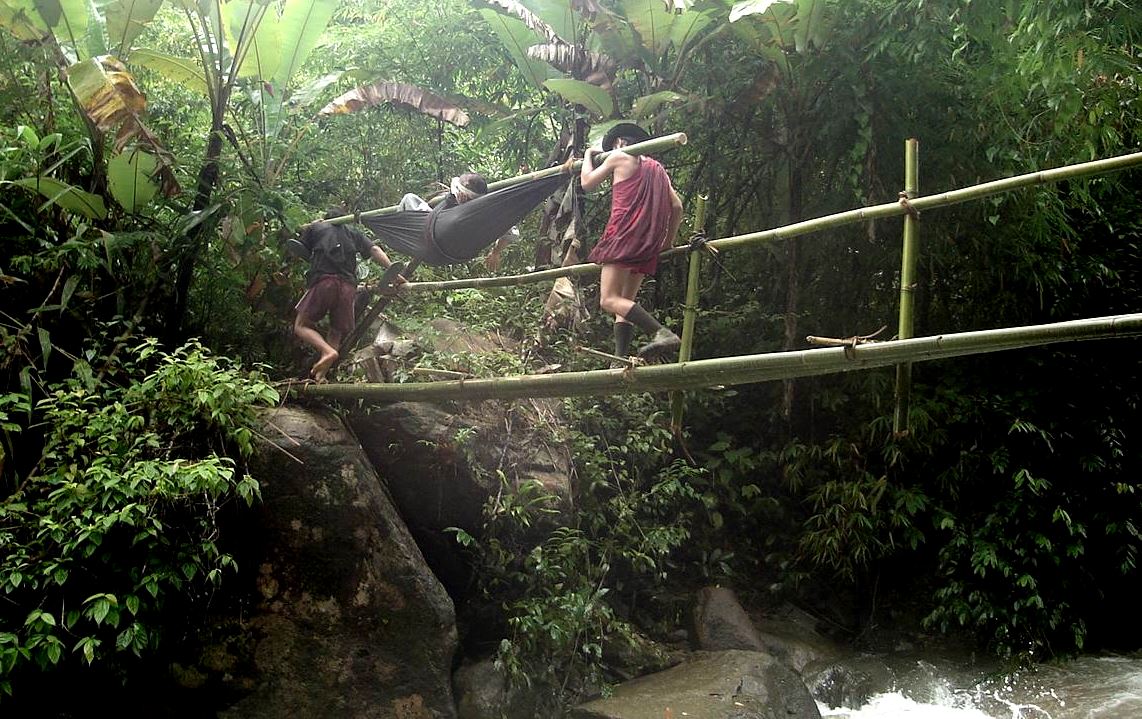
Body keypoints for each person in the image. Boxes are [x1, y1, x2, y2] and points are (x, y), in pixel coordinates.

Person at [580, 123, 683, 360]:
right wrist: (667, 241)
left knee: (608, 299)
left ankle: (661, 332)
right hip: (649, 241)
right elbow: (677, 206)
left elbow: (586, 183)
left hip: (623, 234)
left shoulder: (619, 156)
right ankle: (620, 358)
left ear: (619, 143)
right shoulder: (658, 169)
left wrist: (587, 155)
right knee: (625, 301)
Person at [293, 206, 401, 382]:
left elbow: (300, 249)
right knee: (336, 331)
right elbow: (374, 250)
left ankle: (327, 352)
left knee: (301, 325)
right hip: (348, 287)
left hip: (325, 281)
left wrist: (310, 227)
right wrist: (393, 272)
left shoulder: (318, 227)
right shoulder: (353, 232)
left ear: (327, 217)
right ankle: (321, 376)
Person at [398, 172, 516, 270]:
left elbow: (511, 231)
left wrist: (496, 252)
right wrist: (496, 252)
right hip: (441, 239)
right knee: (411, 200)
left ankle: (409, 245)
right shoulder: (455, 203)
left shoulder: (484, 213)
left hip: (443, 241)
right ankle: (412, 249)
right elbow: (511, 232)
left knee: (409, 198)